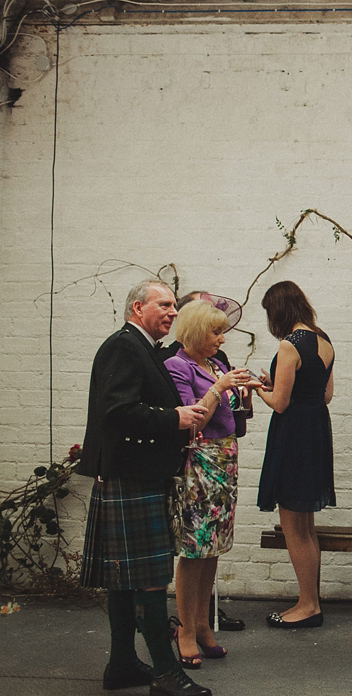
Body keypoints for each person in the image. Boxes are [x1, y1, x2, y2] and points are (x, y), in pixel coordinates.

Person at [78, 280, 212, 696]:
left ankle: (120, 665)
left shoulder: (144, 348)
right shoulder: (124, 347)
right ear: (138, 308)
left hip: (134, 474)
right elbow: (117, 411)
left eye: (174, 305)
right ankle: (166, 673)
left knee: (123, 578)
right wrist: (174, 418)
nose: (173, 312)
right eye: (165, 305)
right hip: (131, 475)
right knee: (150, 579)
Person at [162, 301, 255, 667]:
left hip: (225, 459)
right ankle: (184, 629)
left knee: (215, 546)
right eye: (215, 332)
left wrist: (245, 394)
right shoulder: (177, 366)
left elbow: (234, 420)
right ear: (198, 332)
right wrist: (220, 386)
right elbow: (193, 419)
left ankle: (203, 624)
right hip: (198, 461)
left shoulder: (216, 364)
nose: (221, 338)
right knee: (194, 547)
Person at [255, 280, 335, 628]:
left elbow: (280, 403)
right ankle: (311, 601)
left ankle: (307, 605)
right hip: (316, 430)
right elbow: (326, 394)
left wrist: (260, 390)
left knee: (293, 525)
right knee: (306, 525)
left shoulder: (290, 346)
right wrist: (279, 389)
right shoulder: (323, 340)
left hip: (293, 436)